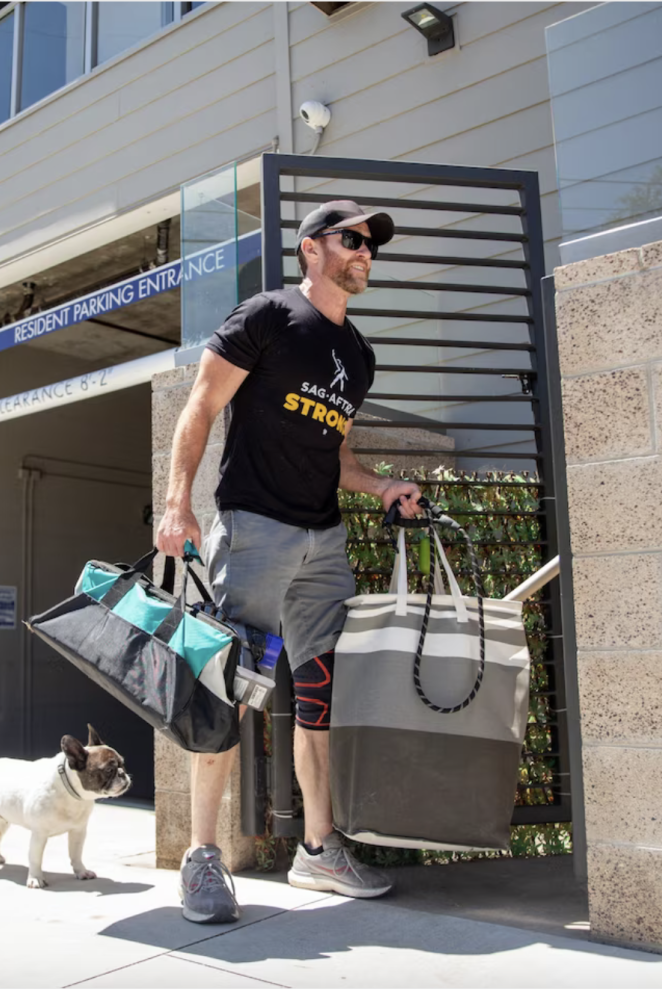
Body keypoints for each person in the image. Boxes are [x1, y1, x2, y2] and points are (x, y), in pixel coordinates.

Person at [155, 200, 422, 924]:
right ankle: (202, 855)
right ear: (312, 248)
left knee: (318, 697)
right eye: (353, 239)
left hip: (322, 543)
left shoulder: (358, 355)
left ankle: (318, 847)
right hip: (255, 530)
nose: (366, 251)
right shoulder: (269, 316)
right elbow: (201, 407)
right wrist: (177, 504)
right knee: (226, 690)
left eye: (372, 244)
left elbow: (335, 457)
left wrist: (382, 485)